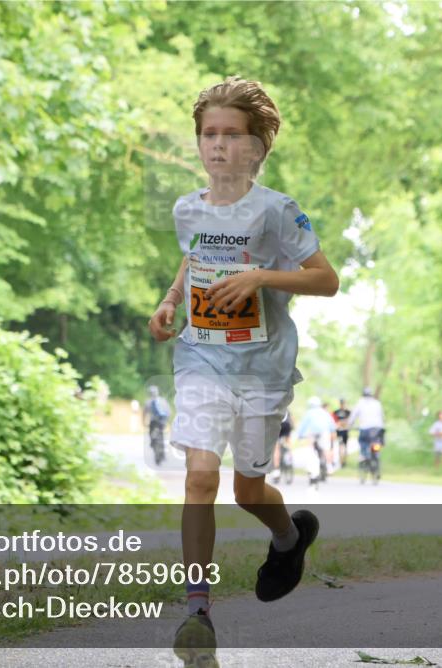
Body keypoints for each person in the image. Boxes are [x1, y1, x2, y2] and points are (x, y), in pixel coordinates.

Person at [146, 76, 340, 665]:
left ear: (258, 146)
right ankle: (197, 612)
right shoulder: (188, 207)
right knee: (200, 477)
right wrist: (171, 299)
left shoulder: (278, 211)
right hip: (203, 355)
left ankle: (288, 538)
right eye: (209, 134)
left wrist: (260, 277)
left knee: (246, 488)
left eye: (232, 135)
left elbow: (326, 281)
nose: (219, 145)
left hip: (262, 365)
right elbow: (195, 255)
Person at [295, 396, 338, 488]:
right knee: (326, 448)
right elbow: (332, 425)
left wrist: (299, 436)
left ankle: (313, 469)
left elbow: (303, 426)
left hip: (312, 433)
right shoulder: (324, 412)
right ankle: (329, 465)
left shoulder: (309, 413)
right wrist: (333, 432)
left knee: (311, 450)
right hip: (324, 432)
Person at [348, 387, 384, 462]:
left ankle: (363, 455)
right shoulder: (377, 403)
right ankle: (376, 455)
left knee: (362, 441)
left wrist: (350, 425)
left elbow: (353, 416)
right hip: (378, 428)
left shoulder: (360, 403)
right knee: (377, 441)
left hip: (365, 428)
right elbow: (382, 416)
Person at [143, 386, 171, 465]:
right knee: (161, 437)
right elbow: (168, 412)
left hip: (153, 422)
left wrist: (143, 422)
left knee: (152, 436)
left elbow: (144, 413)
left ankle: (153, 444)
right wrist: (167, 421)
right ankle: (162, 455)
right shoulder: (163, 401)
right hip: (161, 422)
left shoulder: (148, 402)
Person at [270, 410, 293, 484]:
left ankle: (276, 470)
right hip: (287, 425)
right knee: (287, 442)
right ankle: (289, 455)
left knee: (276, 447)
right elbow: (291, 420)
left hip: (277, 425)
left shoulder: (271, 406)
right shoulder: (286, 406)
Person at [332, 398, 351, 469]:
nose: (343, 405)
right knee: (340, 447)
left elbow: (350, 421)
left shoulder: (348, 412)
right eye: (342, 403)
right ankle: (340, 462)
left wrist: (343, 422)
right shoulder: (336, 412)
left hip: (345, 431)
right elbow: (334, 422)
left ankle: (344, 462)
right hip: (339, 431)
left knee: (345, 447)